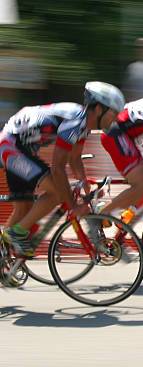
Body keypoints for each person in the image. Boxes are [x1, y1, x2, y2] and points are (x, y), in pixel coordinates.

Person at [0, 82, 125, 258]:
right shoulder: (76, 121)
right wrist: (73, 206)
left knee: (23, 210)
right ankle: (15, 233)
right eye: (113, 113)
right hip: (11, 147)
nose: (115, 119)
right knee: (58, 193)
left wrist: (86, 187)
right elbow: (58, 167)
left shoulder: (84, 125)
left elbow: (75, 159)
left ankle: (4, 263)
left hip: (19, 147)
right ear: (99, 109)